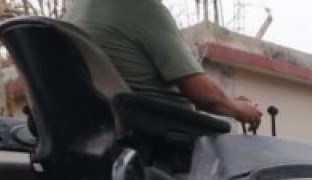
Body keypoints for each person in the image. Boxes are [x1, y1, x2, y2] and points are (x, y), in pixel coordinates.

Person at [63, 0, 262, 131]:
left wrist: (227, 100)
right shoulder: (140, 7)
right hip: (153, 137)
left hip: (101, 129)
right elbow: (201, 93)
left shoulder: (74, 12)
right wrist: (239, 109)